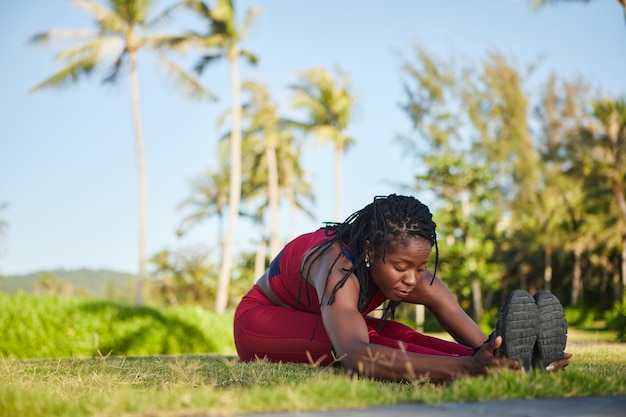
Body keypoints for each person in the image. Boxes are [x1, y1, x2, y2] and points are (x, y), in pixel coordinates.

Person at [233, 194, 570, 382]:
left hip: (317, 317)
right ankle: (482, 370)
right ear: (370, 251)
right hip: (260, 321)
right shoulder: (338, 266)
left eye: (420, 267)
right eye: (401, 267)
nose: (412, 278)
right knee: (369, 341)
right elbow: (356, 356)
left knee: (404, 335)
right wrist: (465, 368)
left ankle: (515, 366)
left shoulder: (412, 275)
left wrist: (495, 351)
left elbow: (456, 315)